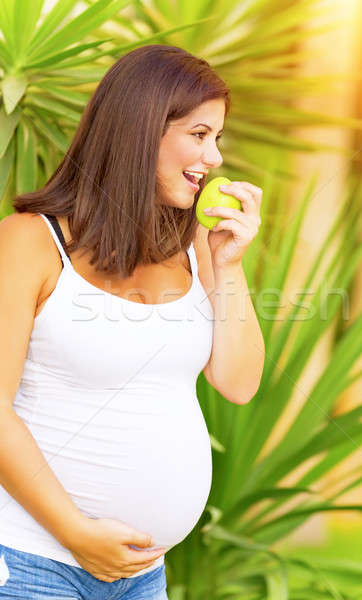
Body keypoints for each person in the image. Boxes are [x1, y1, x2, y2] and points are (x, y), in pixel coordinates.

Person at [0, 44, 264, 598]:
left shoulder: (193, 243)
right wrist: (74, 533)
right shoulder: (28, 240)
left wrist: (229, 264)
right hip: (31, 562)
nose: (213, 157)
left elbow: (237, 384)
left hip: (142, 576)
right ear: (142, 128)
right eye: (199, 134)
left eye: (217, 138)